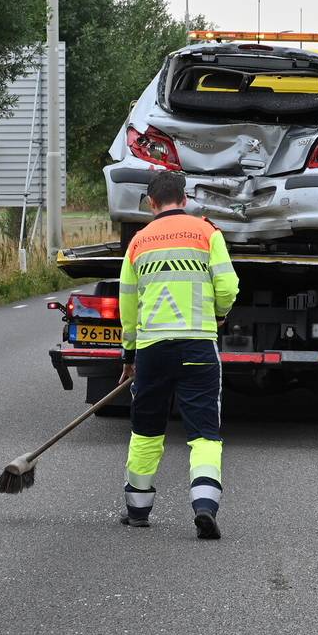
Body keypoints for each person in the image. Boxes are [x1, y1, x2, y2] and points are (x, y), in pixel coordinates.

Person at [118, 171, 239, 539]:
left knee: (146, 430)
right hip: (198, 345)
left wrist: (129, 353)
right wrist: (217, 315)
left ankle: (138, 510)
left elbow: (128, 302)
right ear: (184, 198)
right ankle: (204, 507)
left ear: (151, 203)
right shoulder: (207, 233)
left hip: (153, 349)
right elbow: (228, 285)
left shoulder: (138, 242)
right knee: (204, 432)